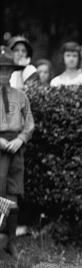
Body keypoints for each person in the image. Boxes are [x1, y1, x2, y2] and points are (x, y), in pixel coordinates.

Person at [0, 46, 35, 256]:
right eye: (0, 70)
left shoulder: (20, 96)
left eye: (8, 71)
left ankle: (11, 241)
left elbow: (29, 124)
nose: (4, 74)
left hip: (15, 148)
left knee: (13, 192)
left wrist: (21, 139)